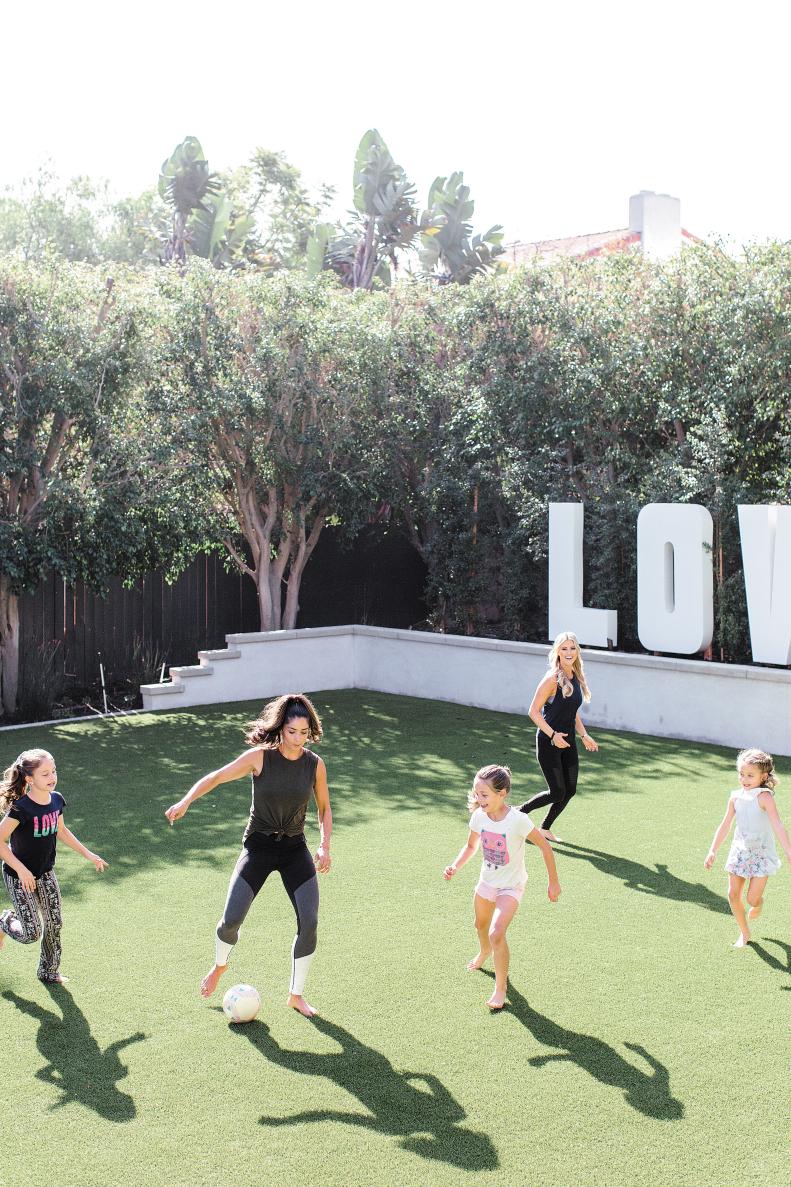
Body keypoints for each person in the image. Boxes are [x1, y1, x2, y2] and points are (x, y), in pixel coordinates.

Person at [165, 693, 332, 1018]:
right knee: (230, 921)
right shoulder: (260, 757)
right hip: (259, 846)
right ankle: (219, 966)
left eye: (303, 732)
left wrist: (325, 844)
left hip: (294, 848)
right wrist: (186, 801)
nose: (297, 739)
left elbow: (324, 808)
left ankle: (296, 995)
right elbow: (216, 776)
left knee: (309, 921)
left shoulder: (314, 764)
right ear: (280, 728)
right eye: (291, 732)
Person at [443, 764, 561, 1010]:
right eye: (477, 794)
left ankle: (500, 988)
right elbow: (471, 847)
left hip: (512, 886)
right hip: (487, 882)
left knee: (497, 932)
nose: (479, 799)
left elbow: (545, 847)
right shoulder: (478, 817)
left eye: (484, 795)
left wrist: (553, 882)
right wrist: (455, 866)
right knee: (480, 926)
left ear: (502, 793)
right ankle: (484, 950)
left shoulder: (517, 820)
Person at [0, 749, 108, 983]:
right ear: (29, 778)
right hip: (19, 875)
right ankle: (5, 920)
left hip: (45, 872)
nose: (52, 777)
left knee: (55, 922)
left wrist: (89, 855)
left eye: (54, 771)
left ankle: (48, 971)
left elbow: (61, 830)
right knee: (31, 933)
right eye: (45, 773)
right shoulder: (21, 808)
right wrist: (21, 869)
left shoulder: (56, 800)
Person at [705, 748, 791, 948]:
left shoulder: (765, 797)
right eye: (741, 774)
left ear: (764, 776)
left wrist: (788, 850)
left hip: (761, 854)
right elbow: (725, 825)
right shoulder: (735, 797)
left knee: (752, 899)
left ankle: (759, 903)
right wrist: (713, 850)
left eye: (750, 775)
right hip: (740, 852)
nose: (744, 779)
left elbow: (778, 824)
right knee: (733, 894)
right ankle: (744, 932)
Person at [518, 631, 599, 841]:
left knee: (570, 790)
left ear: (577, 651)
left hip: (569, 742)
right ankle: (518, 813)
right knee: (556, 792)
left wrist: (584, 735)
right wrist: (553, 735)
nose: (569, 652)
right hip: (548, 742)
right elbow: (533, 711)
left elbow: (572, 713)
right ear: (557, 652)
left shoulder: (575, 676)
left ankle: (544, 828)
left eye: (572, 648)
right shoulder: (551, 679)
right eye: (564, 648)